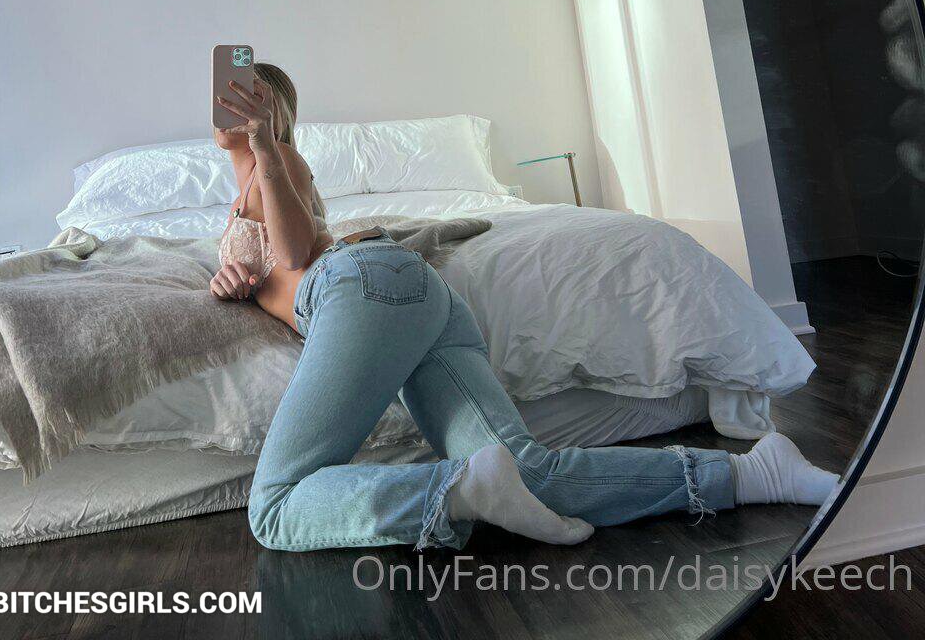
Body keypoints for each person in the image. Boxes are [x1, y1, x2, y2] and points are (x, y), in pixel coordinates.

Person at [211, 63, 838, 553]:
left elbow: (295, 252)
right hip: (408, 295)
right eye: (220, 93)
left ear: (272, 111)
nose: (223, 103)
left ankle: (463, 489)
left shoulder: (278, 160)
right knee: (528, 473)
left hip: (360, 288)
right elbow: (277, 264)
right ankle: (755, 475)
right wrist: (234, 279)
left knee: (275, 506)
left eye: (243, 94)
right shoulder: (245, 188)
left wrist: (264, 145)